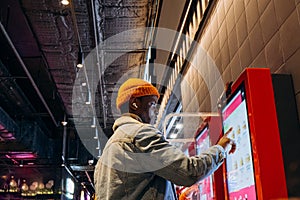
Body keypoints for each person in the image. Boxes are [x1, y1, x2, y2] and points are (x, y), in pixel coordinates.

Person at [94, 78, 236, 200]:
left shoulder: (108, 151)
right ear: (135, 103)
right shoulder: (140, 134)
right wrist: (222, 148)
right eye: (152, 104)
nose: (155, 113)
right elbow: (190, 172)